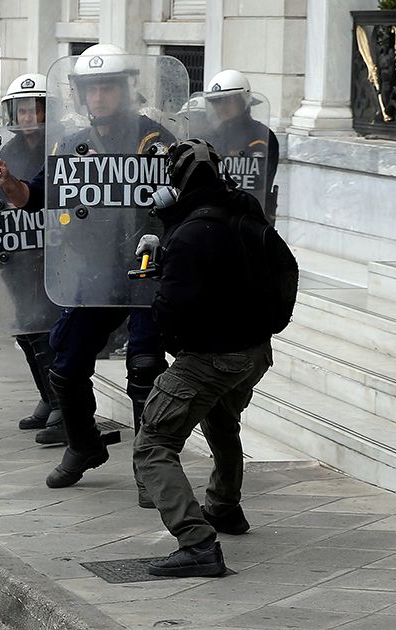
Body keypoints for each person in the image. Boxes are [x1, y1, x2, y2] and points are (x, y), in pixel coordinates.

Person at [0, 44, 172, 497]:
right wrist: (6, 180)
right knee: (65, 359)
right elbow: (32, 196)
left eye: (108, 86)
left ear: (126, 88)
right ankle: (84, 443)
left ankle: (151, 468)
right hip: (96, 271)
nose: (99, 96)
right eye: (91, 88)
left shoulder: (157, 141)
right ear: (80, 94)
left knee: (144, 366)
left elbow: (185, 194)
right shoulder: (72, 145)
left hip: (147, 267)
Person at [133, 139, 275, 577]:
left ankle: (196, 543)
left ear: (177, 180)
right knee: (219, 418)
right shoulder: (244, 210)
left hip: (213, 355)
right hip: (254, 352)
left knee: (153, 444)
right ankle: (225, 507)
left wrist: (164, 259)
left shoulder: (191, 233)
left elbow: (168, 310)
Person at [0, 73, 60, 430]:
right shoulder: (7, 152)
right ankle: (46, 394)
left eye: (34, 109)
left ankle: (61, 400)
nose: (27, 117)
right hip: (16, 254)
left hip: (50, 255)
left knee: (47, 330)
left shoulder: (58, 146)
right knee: (24, 329)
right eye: (21, 110)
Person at [202, 69, 280, 224]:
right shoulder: (212, 136)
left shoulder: (261, 136)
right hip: (213, 215)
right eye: (215, 102)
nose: (220, 107)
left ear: (242, 100)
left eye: (226, 100)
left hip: (249, 217)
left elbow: (259, 182)